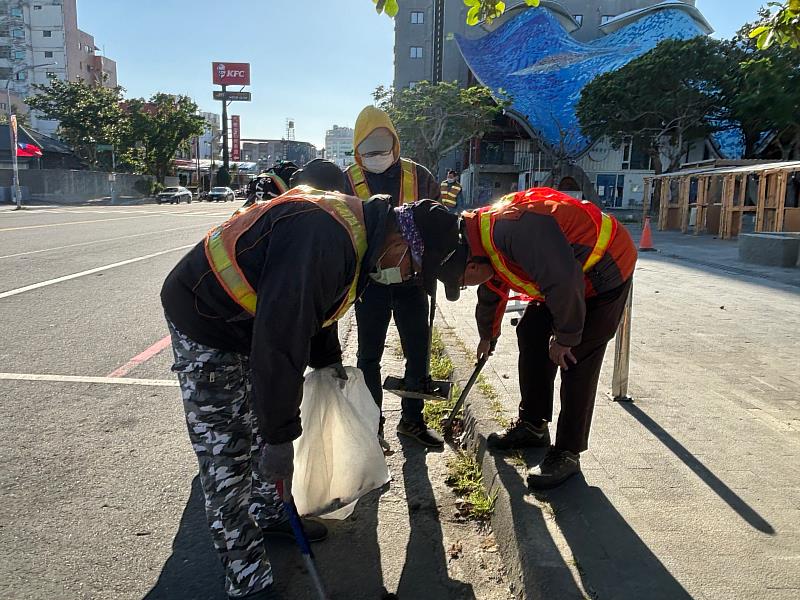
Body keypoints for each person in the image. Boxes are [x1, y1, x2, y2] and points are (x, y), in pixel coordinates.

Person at [161, 159, 461, 600]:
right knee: (229, 453)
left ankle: (270, 512)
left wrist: (327, 364)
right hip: (207, 317)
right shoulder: (324, 238)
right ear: (402, 241)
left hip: (253, 322)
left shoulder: (363, 235)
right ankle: (247, 579)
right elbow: (280, 338)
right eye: (414, 268)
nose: (410, 277)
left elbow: (317, 313)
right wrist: (281, 437)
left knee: (266, 422)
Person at [434, 187, 638, 490]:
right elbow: (493, 288)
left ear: (471, 266)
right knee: (530, 330)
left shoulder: (516, 230)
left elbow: (562, 279)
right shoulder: (483, 242)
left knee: (576, 356)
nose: (467, 287)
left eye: (463, 283)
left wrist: (566, 337)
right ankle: (533, 425)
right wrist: (487, 337)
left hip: (604, 269)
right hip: (566, 276)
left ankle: (568, 452)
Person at [343, 105, 445, 449]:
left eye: (383, 149)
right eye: (369, 151)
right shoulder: (347, 181)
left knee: (418, 354)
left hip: (412, 285)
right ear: (358, 151)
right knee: (367, 357)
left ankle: (412, 422)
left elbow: (440, 225)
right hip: (369, 285)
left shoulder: (420, 178)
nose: (377, 157)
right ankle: (374, 429)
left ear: (396, 145)